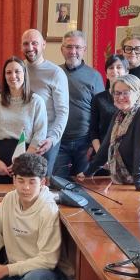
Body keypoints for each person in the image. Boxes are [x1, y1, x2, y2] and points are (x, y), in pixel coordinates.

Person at [86, 74, 140, 199]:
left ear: (137, 93)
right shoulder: (119, 115)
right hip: (132, 180)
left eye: (126, 92)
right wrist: (88, 172)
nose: (120, 97)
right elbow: (105, 148)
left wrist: (139, 183)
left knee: (137, 218)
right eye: (117, 93)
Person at [0, 57, 47, 184]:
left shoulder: (36, 101)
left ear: (24, 74)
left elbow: (39, 135)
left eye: (17, 71)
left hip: (27, 159)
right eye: (9, 72)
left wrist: (22, 162)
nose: (13, 76)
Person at [55, 30, 104, 177]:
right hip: (59, 143)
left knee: (85, 188)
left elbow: (101, 114)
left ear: (84, 50)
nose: (73, 51)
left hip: (85, 144)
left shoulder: (94, 76)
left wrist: (93, 145)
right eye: (69, 47)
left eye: (77, 47)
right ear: (62, 49)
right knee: (58, 185)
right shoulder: (54, 73)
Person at [20, 29, 69, 176]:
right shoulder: (18, 69)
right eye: (25, 44)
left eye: (34, 43)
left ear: (44, 45)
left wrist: (52, 139)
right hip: (22, 139)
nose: (30, 48)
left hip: (45, 141)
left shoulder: (55, 73)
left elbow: (63, 111)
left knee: (41, 184)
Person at [88, 54, 129, 165]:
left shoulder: (132, 99)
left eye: (119, 67)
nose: (114, 70)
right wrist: (102, 156)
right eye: (111, 68)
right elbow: (94, 131)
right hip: (103, 156)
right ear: (106, 73)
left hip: (127, 157)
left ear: (127, 71)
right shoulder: (98, 98)